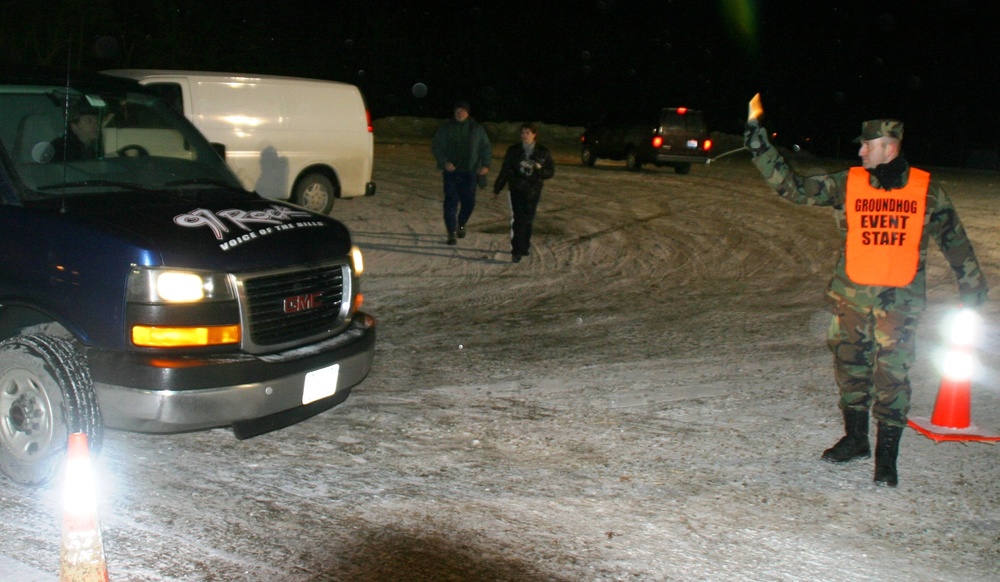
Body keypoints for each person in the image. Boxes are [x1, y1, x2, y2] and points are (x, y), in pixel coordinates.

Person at [744, 118, 988, 487]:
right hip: (852, 298)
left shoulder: (927, 190)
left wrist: (972, 285)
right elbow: (793, 188)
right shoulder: (849, 182)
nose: (859, 151)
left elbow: (954, 239)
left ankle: (886, 458)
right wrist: (760, 147)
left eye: (866, 146)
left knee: (893, 376)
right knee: (851, 367)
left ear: (888, 148)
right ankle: (856, 439)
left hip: (900, 304)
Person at [431, 100, 492, 245]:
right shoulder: (445, 128)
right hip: (451, 173)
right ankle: (451, 231)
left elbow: (485, 147)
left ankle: (462, 223)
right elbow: (436, 147)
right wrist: (444, 162)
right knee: (451, 202)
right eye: (458, 110)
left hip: (470, 172)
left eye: (463, 110)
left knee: (469, 203)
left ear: (468, 112)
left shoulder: (476, 129)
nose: (460, 113)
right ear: (454, 112)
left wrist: (486, 165)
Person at [493, 122, 555, 262]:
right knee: (519, 218)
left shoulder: (542, 151)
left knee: (528, 218)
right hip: (517, 188)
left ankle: (524, 246)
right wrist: (498, 187)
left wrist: (539, 169)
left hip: (533, 190)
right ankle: (516, 250)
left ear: (534, 135)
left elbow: (550, 172)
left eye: (527, 133)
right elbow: (506, 169)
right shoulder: (514, 150)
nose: (524, 135)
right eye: (522, 133)